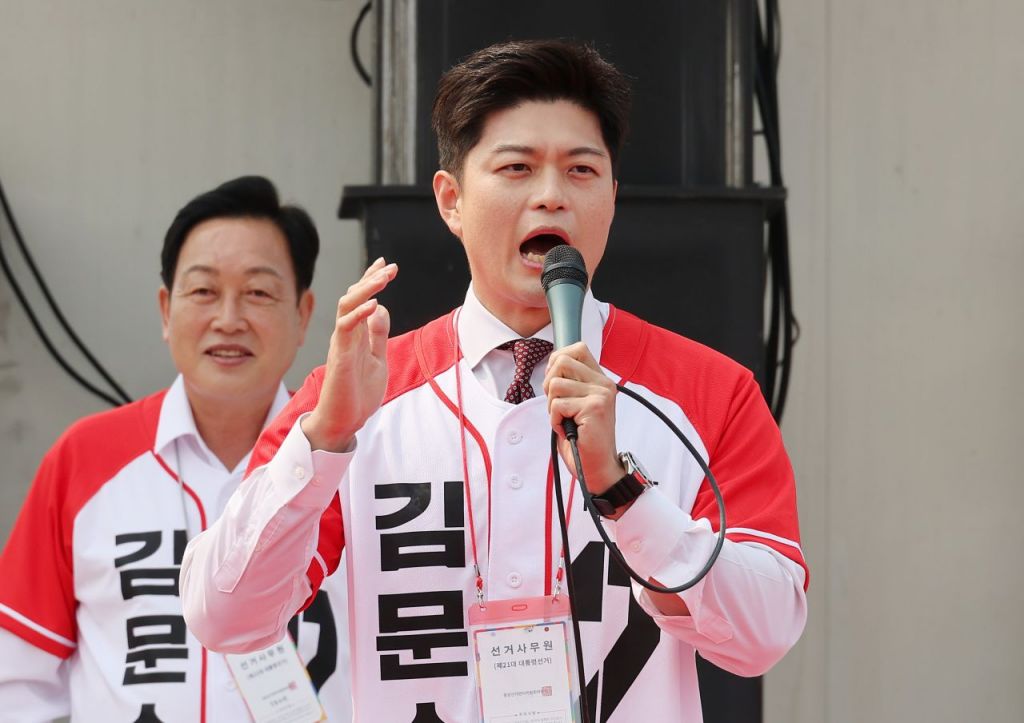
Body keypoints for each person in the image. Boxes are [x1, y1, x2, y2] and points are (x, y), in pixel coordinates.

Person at [181, 41, 808, 722]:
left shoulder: (710, 391)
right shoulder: (355, 396)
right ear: (451, 200)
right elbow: (225, 617)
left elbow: (767, 633)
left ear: (612, 197)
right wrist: (324, 439)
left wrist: (622, 493)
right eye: (517, 167)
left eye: (581, 169)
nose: (551, 195)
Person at [0, 176, 351, 722]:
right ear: (166, 310)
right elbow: (16, 680)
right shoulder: (84, 459)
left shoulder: (356, 457)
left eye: (258, 293)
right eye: (203, 291)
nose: (228, 319)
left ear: (304, 315)